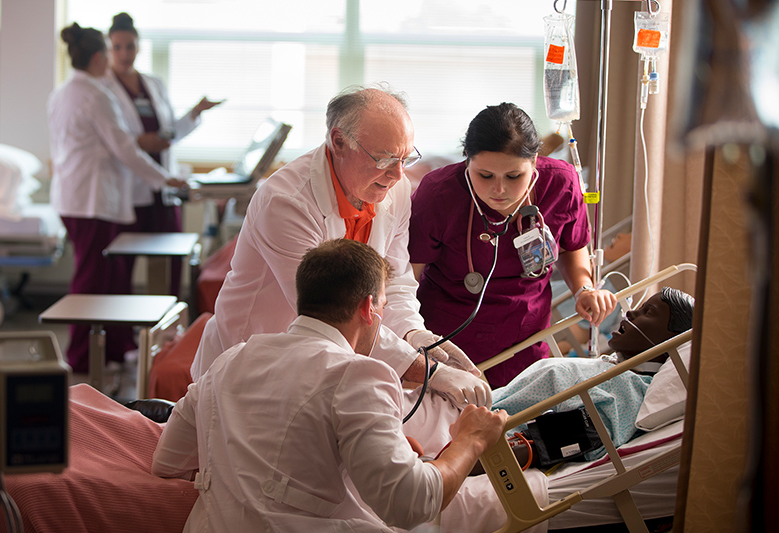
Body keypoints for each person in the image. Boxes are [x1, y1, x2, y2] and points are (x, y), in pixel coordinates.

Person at [152, 239, 511, 531]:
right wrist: (470, 439)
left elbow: (168, 462)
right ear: (369, 308)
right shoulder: (358, 375)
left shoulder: (228, 361)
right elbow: (411, 504)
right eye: (384, 306)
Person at [191, 84, 492, 409]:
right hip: (252, 365)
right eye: (386, 158)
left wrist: (416, 337)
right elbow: (334, 315)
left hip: (323, 365)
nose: (397, 174)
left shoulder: (396, 189)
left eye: (406, 157)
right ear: (339, 142)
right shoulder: (286, 203)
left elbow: (395, 282)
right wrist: (429, 372)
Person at [408, 103, 618, 388]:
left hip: (525, 339)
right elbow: (408, 276)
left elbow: (572, 246)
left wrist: (583, 288)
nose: (499, 190)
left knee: (519, 423)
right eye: (484, 176)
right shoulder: (438, 194)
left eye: (513, 176)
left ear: (534, 162)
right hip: (447, 343)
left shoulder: (561, 184)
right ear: (466, 159)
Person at [48, 23, 185, 374]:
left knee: (103, 277)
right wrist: (165, 178)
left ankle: (109, 350)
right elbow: (125, 148)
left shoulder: (64, 91)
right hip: (93, 200)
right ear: (99, 56)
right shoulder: (96, 95)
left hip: (73, 197)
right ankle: (80, 356)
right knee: (93, 280)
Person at [492, 287, 695, 457]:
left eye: (648, 313)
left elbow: (573, 437)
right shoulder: (615, 370)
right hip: (479, 412)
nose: (631, 313)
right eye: (640, 308)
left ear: (673, 341)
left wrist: (472, 449)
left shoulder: (630, 393)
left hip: (486, 432)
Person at [106, 12, 222, 297]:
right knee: (123, 266)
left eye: (130, 46)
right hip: (130, 190)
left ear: (138, 47)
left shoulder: (153, 83)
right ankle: (125, 330)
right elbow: (112, 140)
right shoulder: (103, 89)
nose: (124, 53)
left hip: (163, 188)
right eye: (117, 47)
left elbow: (169, 133)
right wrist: (138, 142)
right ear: (108, 49)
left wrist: (194, 113)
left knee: (172, 259)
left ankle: (168, 325)